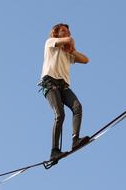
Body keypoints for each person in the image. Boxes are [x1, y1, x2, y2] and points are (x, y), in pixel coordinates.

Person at [39, 23, 91, 165]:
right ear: (56, 33)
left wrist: (72, 51)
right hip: (50, 83)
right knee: (60, 114)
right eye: (63, 31)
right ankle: (54, 151)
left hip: (63, 86)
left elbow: (86, 60)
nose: (67, 33)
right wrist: (70, 43)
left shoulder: (68, 52)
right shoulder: (50, 43)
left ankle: (75, 140)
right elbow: (69, 40)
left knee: (77, 107)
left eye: (68, 31)